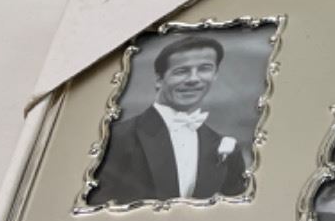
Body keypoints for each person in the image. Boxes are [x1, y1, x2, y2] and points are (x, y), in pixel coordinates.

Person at [91, 35, 248, 206]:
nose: (194, 79)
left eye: (204, 69)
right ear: (159, 79)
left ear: (215, 74)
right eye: (181, 71)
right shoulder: (116, 137)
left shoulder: (227, 148)